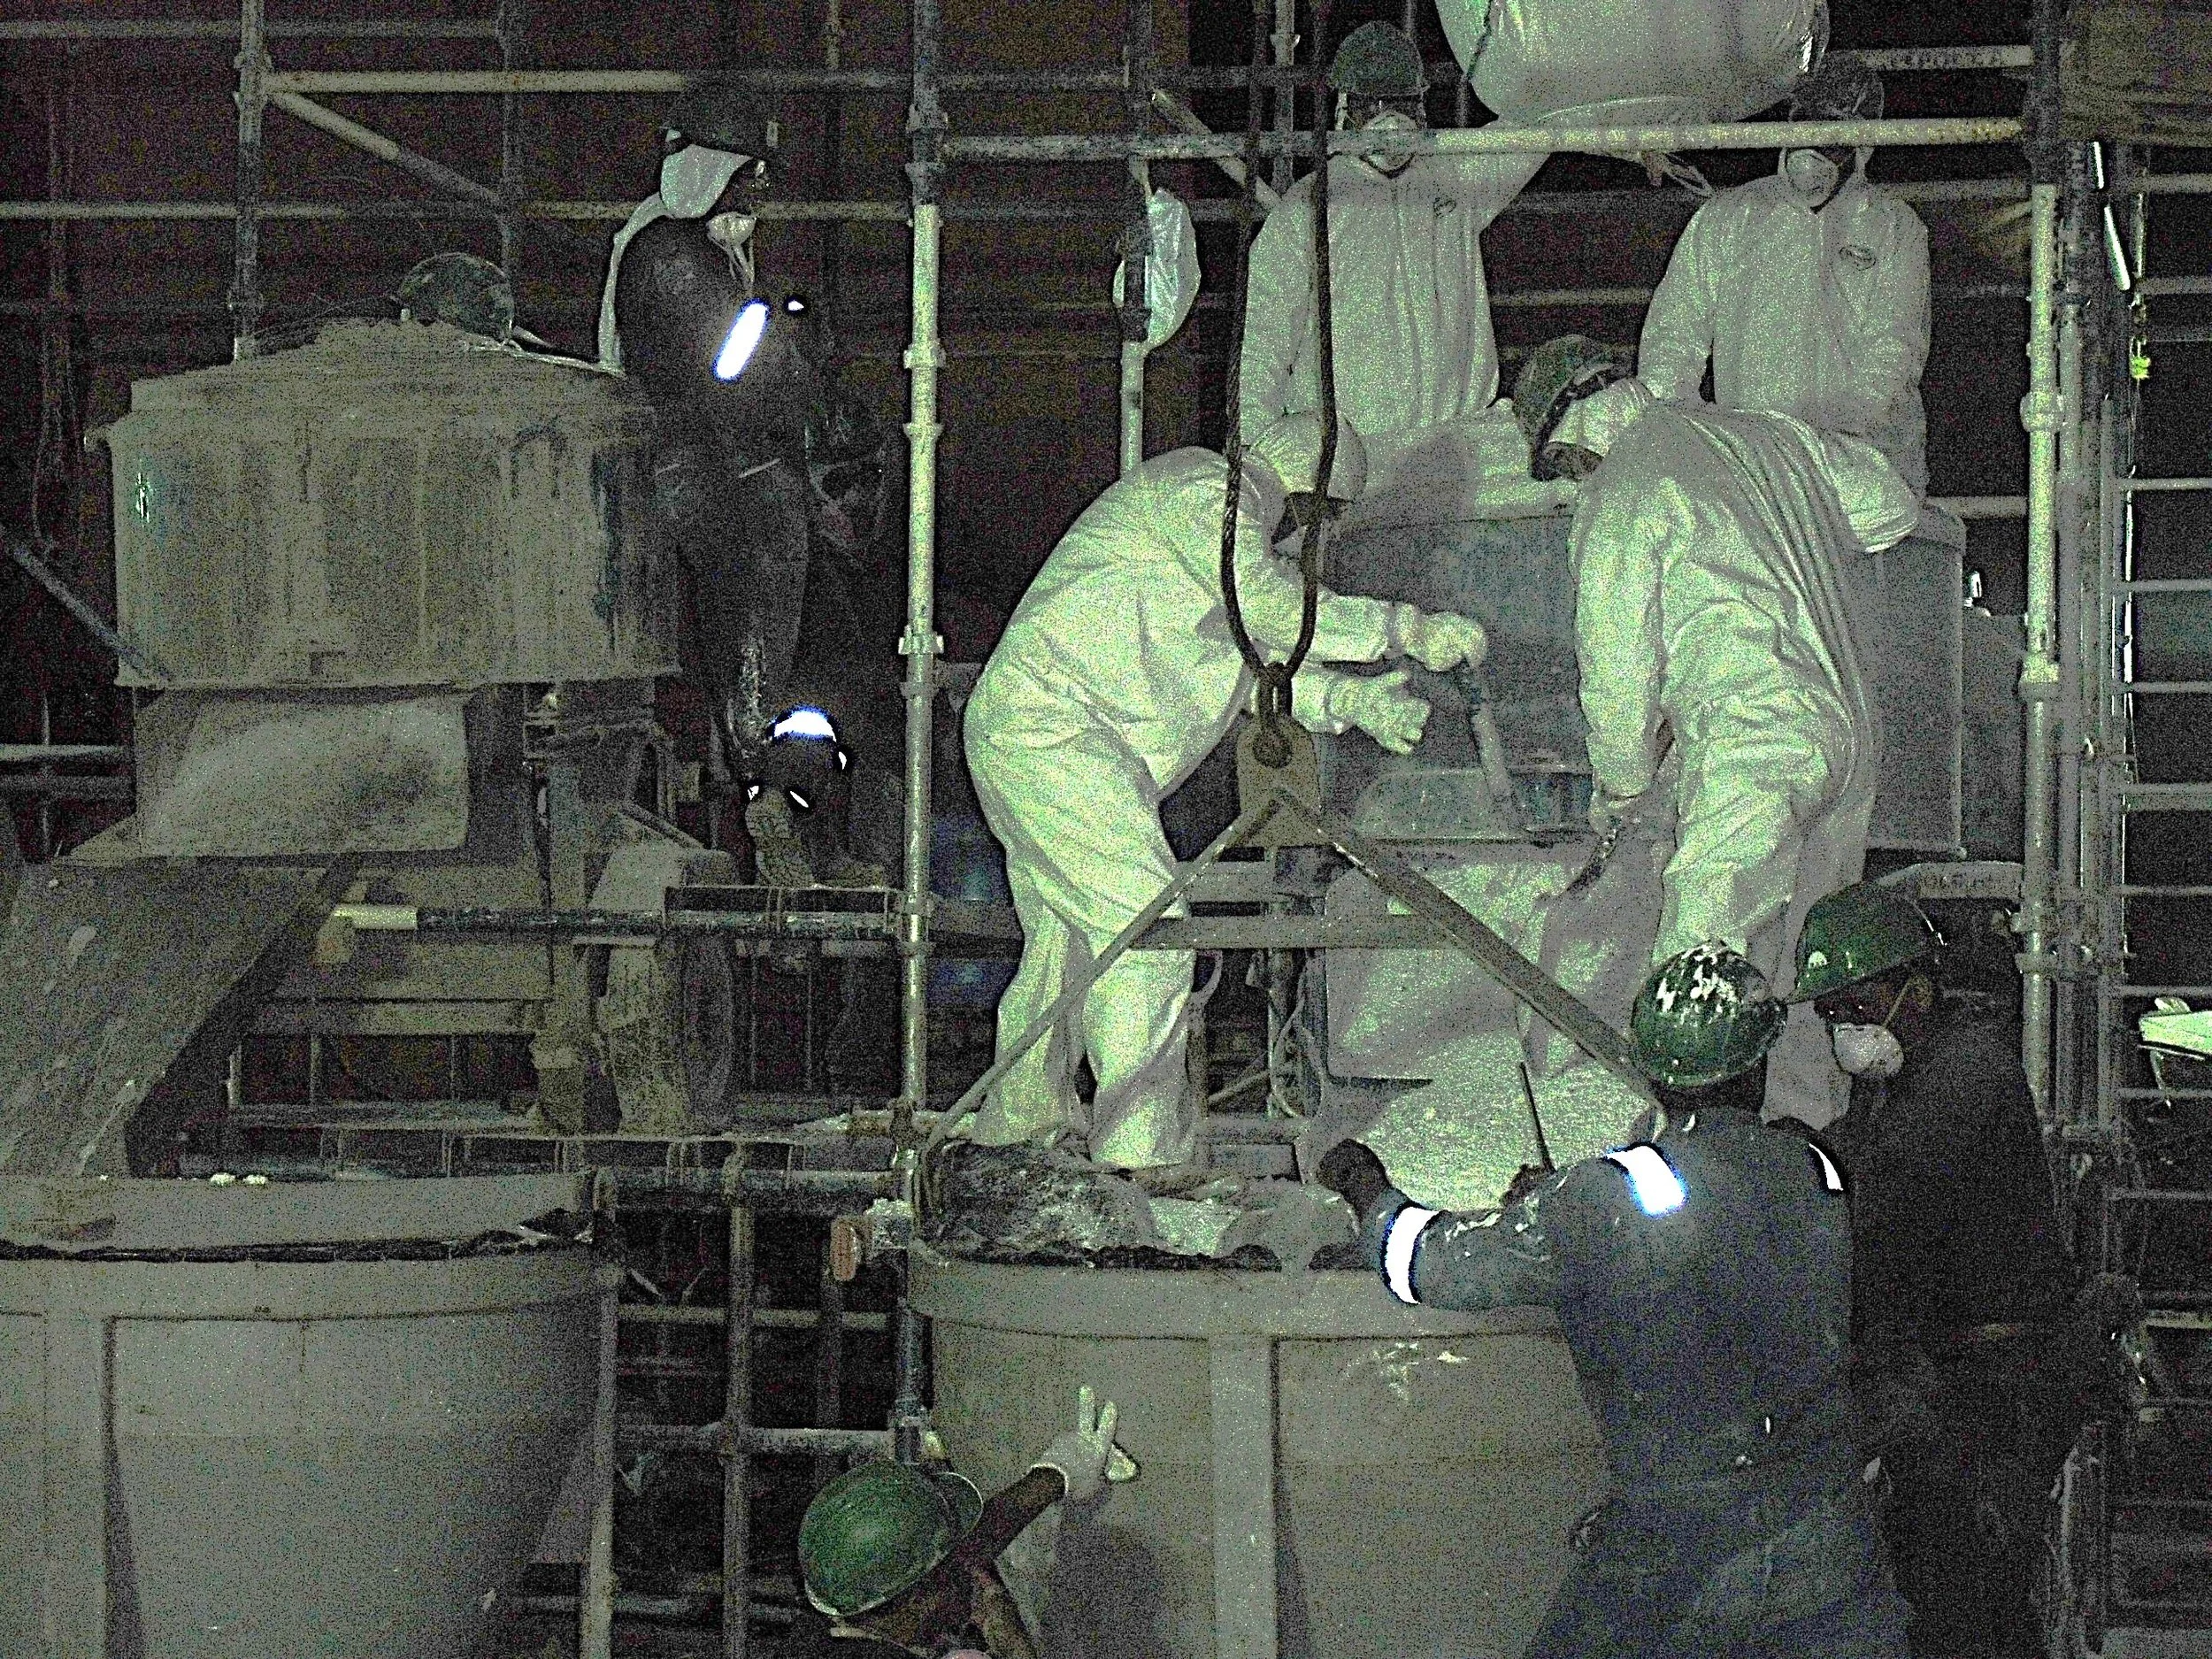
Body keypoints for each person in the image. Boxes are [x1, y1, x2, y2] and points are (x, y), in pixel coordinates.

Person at [1318, 943, 1910, 1658]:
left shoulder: (1600, 1199)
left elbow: (1428, 1265)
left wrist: (1365, 1185)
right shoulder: (1814, 1167)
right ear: (1759, 1062)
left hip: (1679, 1559)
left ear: (1652, 1068)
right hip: (1830, 1549)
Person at [964, 413, 1487, 1177]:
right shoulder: (1204, 492)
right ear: (1311, 496)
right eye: (1322, 518)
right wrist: (1404, 628)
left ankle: (1018, 1126)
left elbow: (1258, 666)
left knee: (1071, 943)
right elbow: (1269, 613)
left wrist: (1353, 702)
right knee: (1147, 928)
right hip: (1053, 726)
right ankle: (1139, 1156)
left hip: (1042, 729)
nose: (1306, 537)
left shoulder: (1210, 538)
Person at [1514, 334, 1918, 1131]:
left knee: (1701, 965)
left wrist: (1622, 792)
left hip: (1754, 737)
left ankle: (1696, 1163)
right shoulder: (1762, 433)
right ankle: (1805, 1152)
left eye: (1562, 466)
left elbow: (1616, 671)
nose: (1570, 483)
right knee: (1809, 966)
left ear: (1572, 432)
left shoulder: (1622, 490)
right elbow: (1891, 506)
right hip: (1847, 729)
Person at [1794, 880, 2111, 1657]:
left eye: (1861, 1004)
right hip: (1967, 1378)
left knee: (1957, 1602)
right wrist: (1788, 1151)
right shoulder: (1908, 1075)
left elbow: (1882, 1220)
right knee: (1974, 1600)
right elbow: (1857, 1148)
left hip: (1995, 1388)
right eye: (1832, 1012)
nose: (1847, 1027)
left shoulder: (1964, 1081)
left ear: (1917, 989)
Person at [1237, 21, 1549, 477]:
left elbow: (1536, 133)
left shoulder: (1452, 179)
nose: (1391, 123)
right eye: (1373, 107)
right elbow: (1263, 345)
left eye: (1404, 105)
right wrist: (1258, 465)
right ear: (1344, 109)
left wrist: (1631, 138)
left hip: (1459, 452)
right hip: (1359, 459)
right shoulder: (1311, 208)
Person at [1637, 56, 1932, 496]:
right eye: (1804, 122)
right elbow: (1675, 336)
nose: (1812, 148)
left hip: (1859, 472)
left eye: (1833, 131)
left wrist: (1835, 447)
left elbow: (1893, 351)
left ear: (1864, 142)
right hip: (1753, 467)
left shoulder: (1891, 227)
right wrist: (1680, 445)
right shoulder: (1731, 217)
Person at [794, 1387, 1134, 1657]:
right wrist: (1012, 1641)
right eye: (954, 1575)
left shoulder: (837, 1610)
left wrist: (1059, 1471)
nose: (971, 1575)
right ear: (916, 1598)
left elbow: (964, 1548)